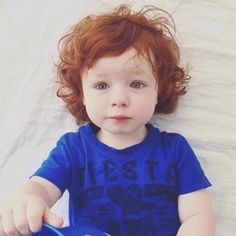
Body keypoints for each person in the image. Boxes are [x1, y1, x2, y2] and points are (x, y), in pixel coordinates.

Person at [0, 4, 215, 236]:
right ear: (81, 94)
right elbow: (42, 186)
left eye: (136, 84)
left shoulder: (174, 149)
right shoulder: (73, 149)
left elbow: (198, 214)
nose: (119, 99)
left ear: (158, 91)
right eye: (102, 85)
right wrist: (27, 198)